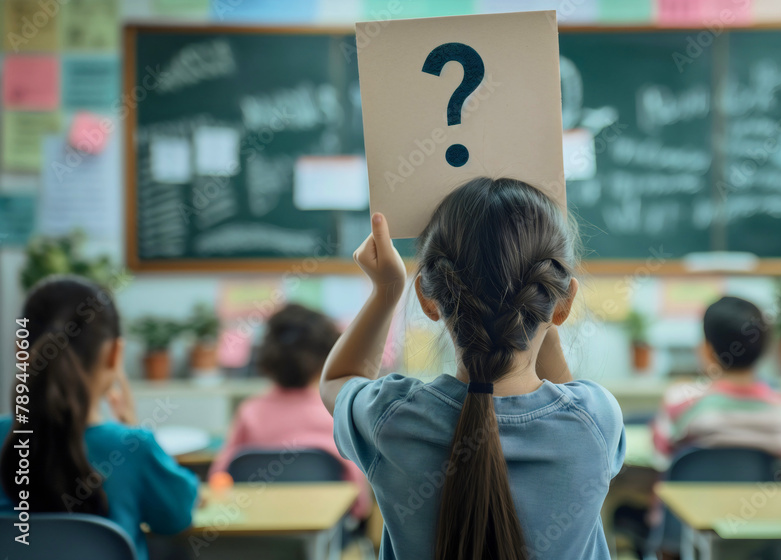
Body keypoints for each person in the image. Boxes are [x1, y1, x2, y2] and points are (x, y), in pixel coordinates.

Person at [321, 178, 625, 560]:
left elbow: (337, 380)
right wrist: (537, 310)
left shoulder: (391, 418)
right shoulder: (596, 420)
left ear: (429, 300)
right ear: (562, 306)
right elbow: (566, 399)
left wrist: (386, 291)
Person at [0, 276, 198, 560]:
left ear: (22, 350)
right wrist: (131, 431)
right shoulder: (133, 448)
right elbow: (176, 517)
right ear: (115, 354)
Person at [208, 303, 370, 519]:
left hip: (261, 532)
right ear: (330, 356)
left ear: (267, 358)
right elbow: (360, 505)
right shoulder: (338, 414)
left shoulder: (250, 412)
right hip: (323, 538)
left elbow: (218, 480)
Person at [652, 296, 781, 471]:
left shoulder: (680, 401)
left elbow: (660, 459)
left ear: (707, 350)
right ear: (763, 349)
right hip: (759, 498)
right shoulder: (780, 408)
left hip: (694, 498)